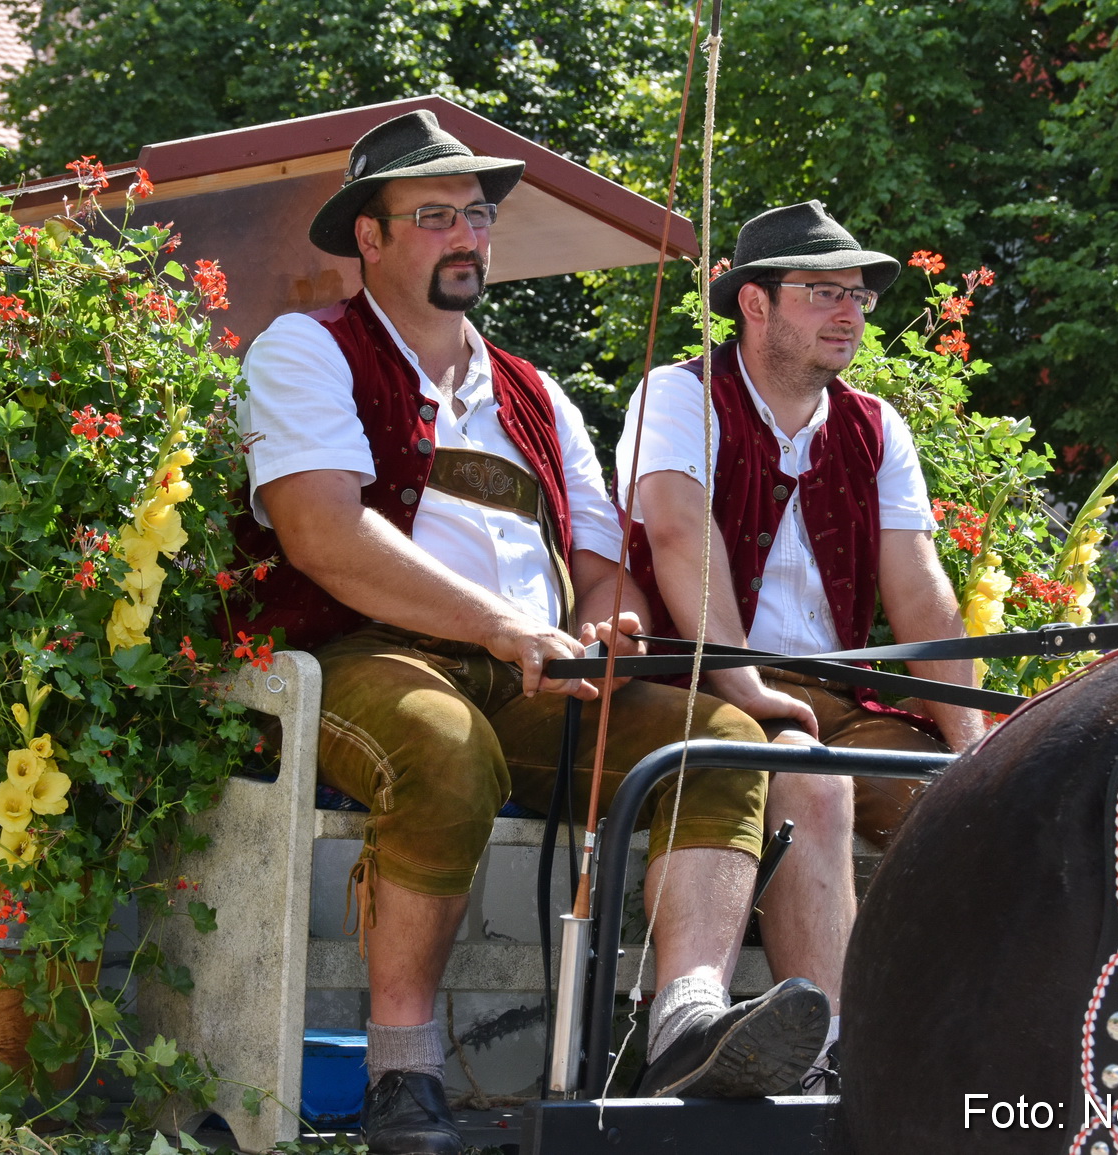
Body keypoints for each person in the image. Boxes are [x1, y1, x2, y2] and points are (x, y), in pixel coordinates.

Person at [229, 112, 828, 1155]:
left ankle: (684, 1023)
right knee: (447, 753)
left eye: (477, 215)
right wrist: (510, 627)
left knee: (714, 746)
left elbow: (600, 567)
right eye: (435, 217)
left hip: (531, 672)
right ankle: (401, 1078)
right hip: (361, 657)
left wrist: (600, 630)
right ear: (367, 238)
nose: (466, 236)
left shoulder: (539, 394)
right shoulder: (305, 349)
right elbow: (322, 533)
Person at [615, 199, 986, 1076]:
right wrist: (742, 680)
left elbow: (921, 594)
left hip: (840, 691)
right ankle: (831, 1062)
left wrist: (973, 745)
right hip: (703, 677)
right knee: (812, 783)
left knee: (968, 803)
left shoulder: (875, 425)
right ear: (754, 303)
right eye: (825, 292)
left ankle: (971, 1055)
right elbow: (676, 532)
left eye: (859, 295)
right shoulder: (680, 393)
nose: (851, 313)